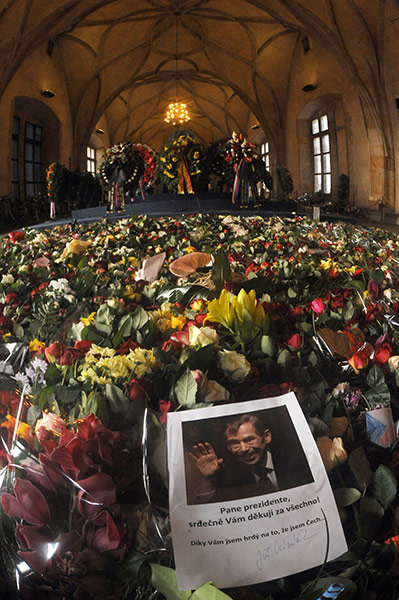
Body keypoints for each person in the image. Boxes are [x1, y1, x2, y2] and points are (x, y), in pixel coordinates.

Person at [188, 413, 313, 503]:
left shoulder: (295, 461)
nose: (243, 449)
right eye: (235, 443)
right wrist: (206, 480)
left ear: (266, 437)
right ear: (228, 447)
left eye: (249, 440)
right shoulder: (229, 476)